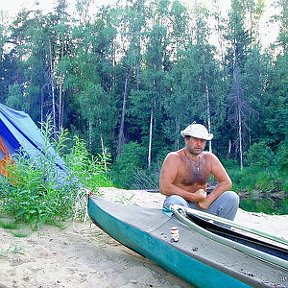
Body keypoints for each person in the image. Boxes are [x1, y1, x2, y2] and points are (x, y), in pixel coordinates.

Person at [159, 122, 239, 221]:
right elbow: (164, 188)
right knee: (174, 201)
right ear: (187, 139)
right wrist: (193, 197)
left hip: (201, 206)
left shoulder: (209, 158)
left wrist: (209, 200)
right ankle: (180, 231)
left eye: (202, 141)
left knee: (232, 197)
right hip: (182, 205)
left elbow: (226, 182)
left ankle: (221, 232)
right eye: (196, 139)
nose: (199, 144)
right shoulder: (174, 158)